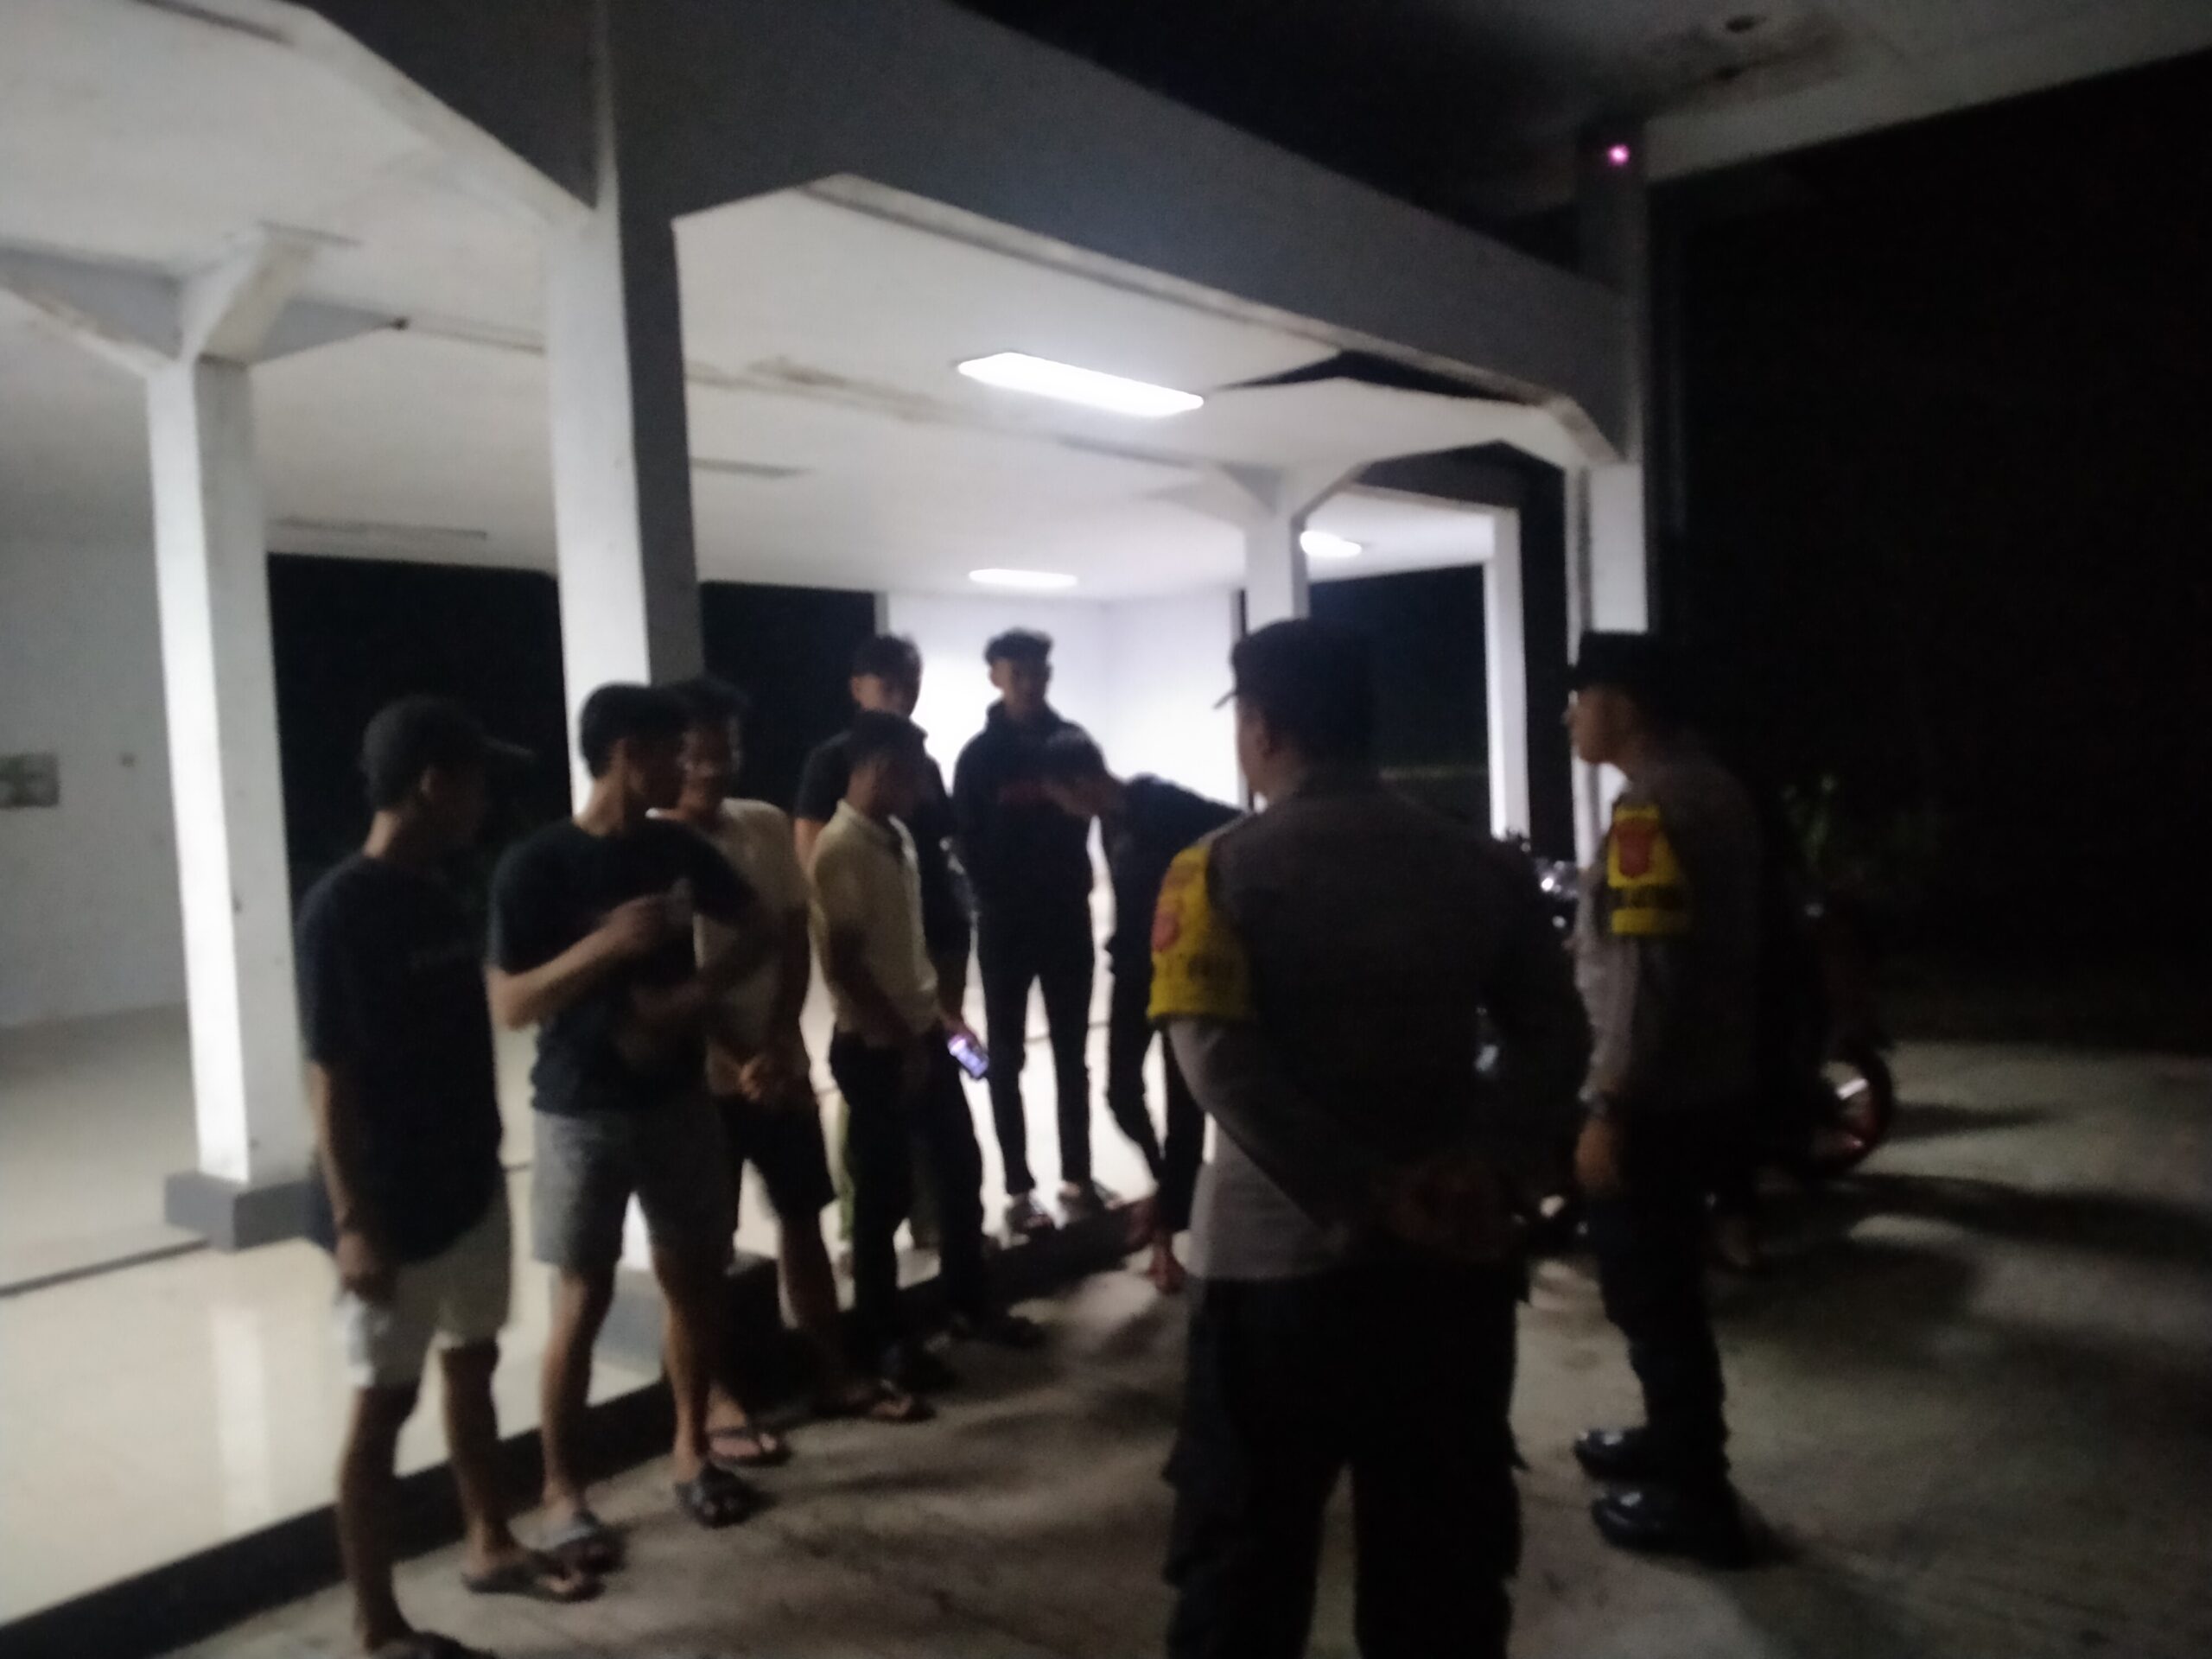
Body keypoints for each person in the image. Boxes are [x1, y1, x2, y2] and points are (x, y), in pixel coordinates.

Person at [1153, 620, 1590, 1659]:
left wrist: (1363, 1192)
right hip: (1451, 1265)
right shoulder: (1479, 862)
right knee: (1439, 1565)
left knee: (1244, 1564)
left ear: (1262, 727)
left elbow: (1218, 1065)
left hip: (1275, 1279)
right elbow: (1555, 1034)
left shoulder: (1213, 870)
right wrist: (1482, 1164)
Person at [301, 696, 597, 1659]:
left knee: (473, 1363)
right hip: (391, 1208)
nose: (484, 802)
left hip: (468, 1185)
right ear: (433, 783)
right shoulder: (342, 907)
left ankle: (490, 1542)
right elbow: (331, 1077)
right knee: (383, 1407)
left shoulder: (438, 891)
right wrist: (353, 1220)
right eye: (474, 782)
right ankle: (378, 1625)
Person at [487, 683, 773, 1559]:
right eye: (672, 753)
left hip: (678, 1099)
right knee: (583, 1297)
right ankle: (561, 1491)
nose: (689, 768)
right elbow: (512, 1003)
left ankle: (691, 1451)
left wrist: (694, 996)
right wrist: (607, 944)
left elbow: (761, 925)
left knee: (695, 1279)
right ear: (624, 754)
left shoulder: (677, 849)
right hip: (581, 1111)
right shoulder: (538, 865)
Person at [663, 677, 930, 1436]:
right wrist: (738, 1054)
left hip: (781, 1068)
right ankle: (714, 1402)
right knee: (703, 1250)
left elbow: (791, 937)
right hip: (699, 1081)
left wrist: (779, 1041)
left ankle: (833, 1373)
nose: (714, 769)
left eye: (726, 751)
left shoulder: (763, 824)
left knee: (804, 1220)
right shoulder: (648, 847)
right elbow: (666, 977)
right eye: (698, 756)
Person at [1565, 630, 1764, 1566]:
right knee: (1665, 1289)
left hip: (1655, 1098)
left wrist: (1611, 1106)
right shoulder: (1713, 788)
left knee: (1653, 1296)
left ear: (1624, 708)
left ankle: (1697, 1499)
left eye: (1581, 699)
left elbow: (1646, 972)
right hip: (1705, 1083)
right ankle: (1671, 1442)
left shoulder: (1653, 809)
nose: (1570, 717)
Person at [813, 710, 1045, 1393]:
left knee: (961, 1173)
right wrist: (905, 1043)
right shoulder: (840, 849)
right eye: (914, 776)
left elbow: (905, 952)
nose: (922, 790)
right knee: (883, 1201)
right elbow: (845, 965)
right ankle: (885, 1341)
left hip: (924, 1037)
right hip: (876, 1049)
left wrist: (944, 1022)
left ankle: (969, 1305)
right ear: (880, 769)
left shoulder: (899, 840)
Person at [1038, 731, 1236, 1293]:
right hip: (1133, 977)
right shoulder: (1108, 823)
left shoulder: (1162, 803)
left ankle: (1170, 1236)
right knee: (1121, 1091)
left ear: (1082, 782)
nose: (1065, 811)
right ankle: (1168, 1187)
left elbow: (1239, 828)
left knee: (1183, 1108)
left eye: (1062, 797)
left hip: (1179, 975)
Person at [952, 628, 1103, 1235]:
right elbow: (964, 842)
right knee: (1004, 1057)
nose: (1030, 684)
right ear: (996, 677)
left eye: (1039, 673)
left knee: (1072, 1054)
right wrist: (998, 893)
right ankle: (1019, 1189)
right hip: (1006, 925)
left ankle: (1079, 1176)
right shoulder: (977, 758)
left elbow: (1094, 811)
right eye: (1018, 674)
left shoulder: (1074, 744)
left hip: (1067, 918)